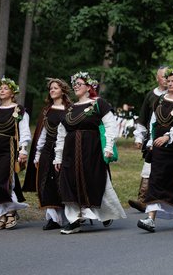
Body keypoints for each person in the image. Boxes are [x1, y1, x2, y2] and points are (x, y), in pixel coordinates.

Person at [54, 72, 126, 234]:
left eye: (79, 84)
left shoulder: (99, 103)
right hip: (70, 152)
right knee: (70, 182)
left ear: (89, 87)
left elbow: (110, 126)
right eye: (75, 85)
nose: (76, 87)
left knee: (94, 181)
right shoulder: (70, 108)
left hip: (91, 151)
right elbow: (61, 133)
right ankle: (75, 220)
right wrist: (58, 156)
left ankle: (106, 213)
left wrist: (108, 147)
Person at [137, 68, 173, 232]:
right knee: (156, 179)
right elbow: (153, 122)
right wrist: (150, 140)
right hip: (159, 146)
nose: (169, 84)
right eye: (168, 81)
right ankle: (150, 219)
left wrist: (169, 136)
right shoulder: (160, 100)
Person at [33, 78, 72, 230]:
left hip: (64, 149)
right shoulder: (47, 110)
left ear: (62, 90)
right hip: (47, 150)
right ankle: (52, 218)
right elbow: (42, 133)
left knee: (61, 181)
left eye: (55, 88)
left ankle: (68, 216)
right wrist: (37, 154)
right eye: (51, 88)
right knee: (46, 182)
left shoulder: (70, 109)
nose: (52, 90)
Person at [0, 77, 31, 230]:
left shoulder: (19, 110)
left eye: (5, 88)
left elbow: (24, 132)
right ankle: (2, 215)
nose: (2, 90)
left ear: (12, 92)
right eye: (0, 89)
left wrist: (23, 150)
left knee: (3, 181)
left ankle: (11, 211)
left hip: (8, 149)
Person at [130, 66, 168, 212]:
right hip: (152, 140)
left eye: (169, 77)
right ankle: (142, 200)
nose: (167, 80)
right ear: (157, 78)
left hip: (170, 140)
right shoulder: (150, 96)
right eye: (164, 77)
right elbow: (143, 118)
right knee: (147, 169)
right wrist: (139, 138)